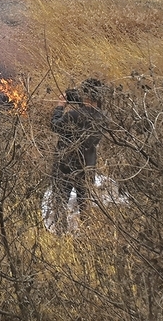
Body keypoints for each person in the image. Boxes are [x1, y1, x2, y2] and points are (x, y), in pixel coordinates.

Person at [50, 80, 105, 231]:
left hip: (66, 166)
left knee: (60, 201)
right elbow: (88, 113)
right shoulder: (102, 117)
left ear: (86, 94)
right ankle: (87, 234)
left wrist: (60, 106)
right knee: (85, 203)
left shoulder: (74, 115)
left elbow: (55, 125)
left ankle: (60, 234)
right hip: (88, 165)